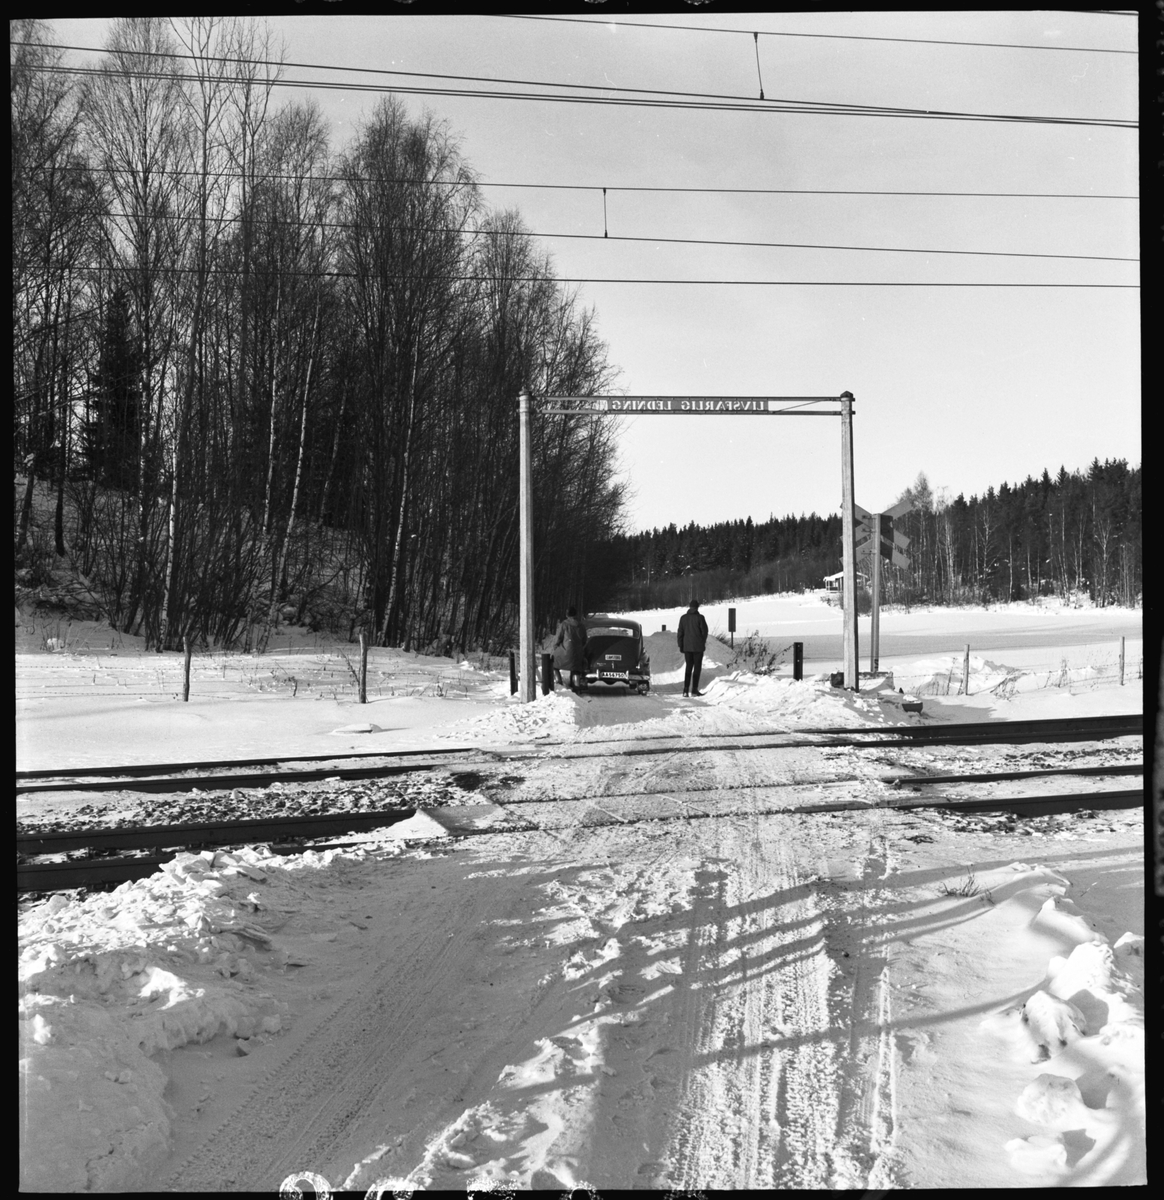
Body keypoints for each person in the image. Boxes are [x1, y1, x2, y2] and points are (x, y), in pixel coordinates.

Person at [677, 599, 709, 697]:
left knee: (688, 667)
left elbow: (680, 633)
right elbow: (704, 632)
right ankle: (694, 690)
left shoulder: (683, 618)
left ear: (690, 607)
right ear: (697, 607)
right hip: (698, 648)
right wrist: (702, 641)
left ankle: (685, 690)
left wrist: (681, 645)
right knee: (697, 668)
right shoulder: (700, 618)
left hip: (687, 647)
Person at [552, 606, 588, 691]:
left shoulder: (564, 624)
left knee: (554, 664)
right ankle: (576, 684)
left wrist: (555, 647)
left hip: (565, 653)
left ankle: (559, 681)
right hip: (577, 654)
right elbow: (584, 640)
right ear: (576, 614)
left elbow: (558, 639)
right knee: (576, 668)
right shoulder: (581, 626)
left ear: (567, 614)